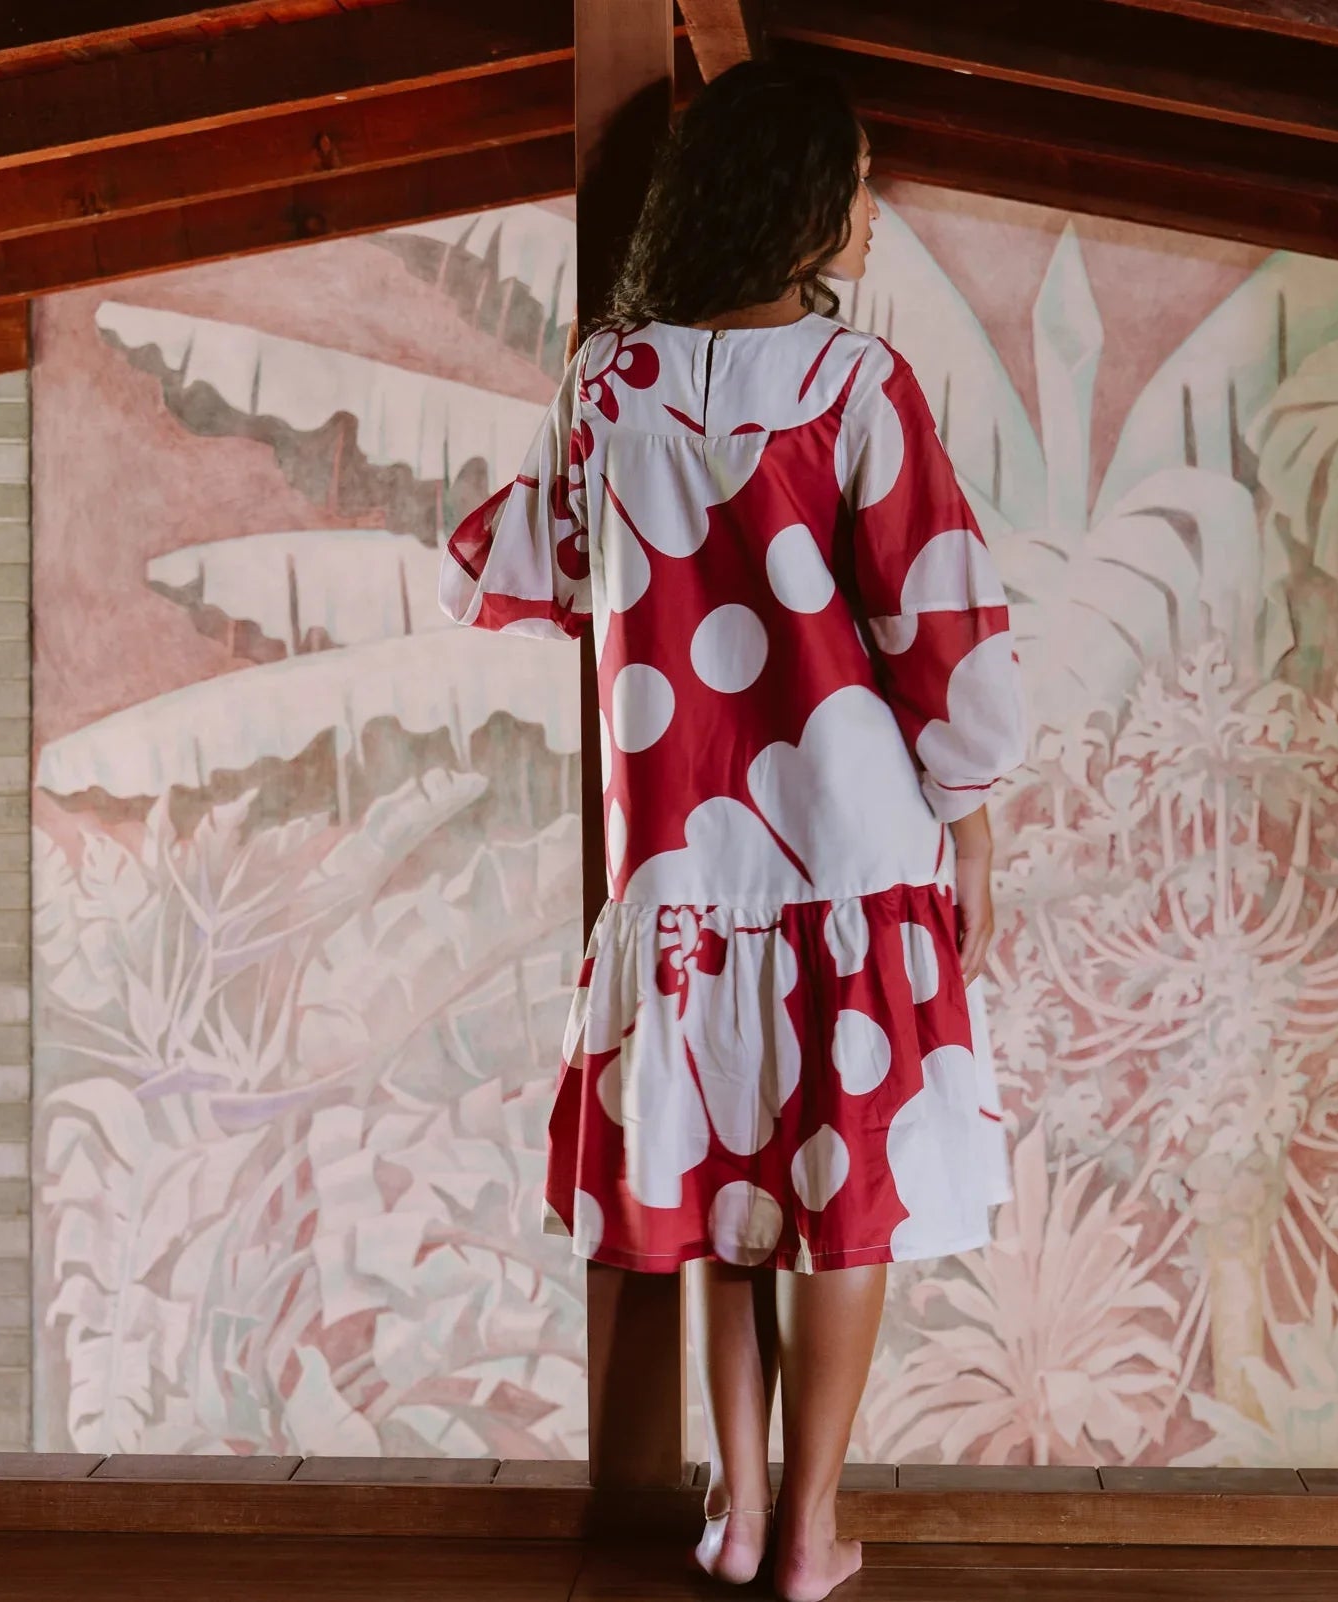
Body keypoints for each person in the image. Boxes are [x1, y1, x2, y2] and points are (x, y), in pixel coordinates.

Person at [439, 59, 1025, 1602]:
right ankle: (817, 1528)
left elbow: (546, 566)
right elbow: (941, 624)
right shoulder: (859, 387)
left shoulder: (610, 380)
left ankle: (741, 1511)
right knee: (844, 1206)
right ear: (800, 203)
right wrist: (969, 824)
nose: (866, 217)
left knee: (718, 1193)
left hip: (682, 864)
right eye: (856, 182)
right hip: (850, 854)